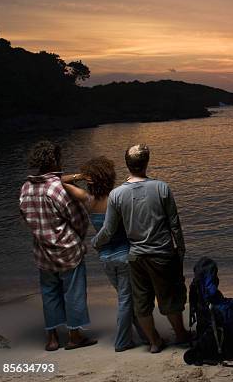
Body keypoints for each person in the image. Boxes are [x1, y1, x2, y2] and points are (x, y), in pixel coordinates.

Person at [92, 144, 189, 353]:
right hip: (162, 253)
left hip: (135, 256)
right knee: (169, 298)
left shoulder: (117, 195)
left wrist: (95, 243)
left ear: (127, 164)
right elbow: (175, 224)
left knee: (141, 303)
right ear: (147, 162)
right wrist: (180, 249)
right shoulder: (162, 187)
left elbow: (108, 230)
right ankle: (180, 335)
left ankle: (154, 342)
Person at [62, 156, 148, 352]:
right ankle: (122, 342)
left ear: (92, 179)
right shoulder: (117, 198)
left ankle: (144, 335)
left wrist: (82, 176)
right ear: (109, 177)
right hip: (125, 256)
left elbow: (61, 181)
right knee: (126, 299)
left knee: (127, 298)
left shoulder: (87, 199)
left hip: (105, 258)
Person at [19, 140, 97, 351]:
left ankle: (52, 338)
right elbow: (79, 218)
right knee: (74, 292)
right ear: (54, 159)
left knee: (49, 293)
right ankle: (74, 336)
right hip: (68, 250)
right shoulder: (57, 189)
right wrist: (77, 238)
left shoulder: (26, 188)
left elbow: (26, 218)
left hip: (43, 252)